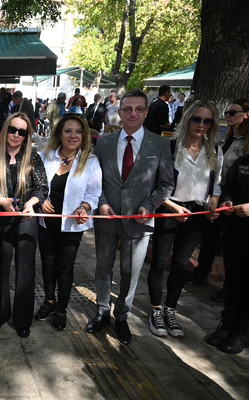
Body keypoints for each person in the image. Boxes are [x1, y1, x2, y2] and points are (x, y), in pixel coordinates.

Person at [85, 89, 174, 345]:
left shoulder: (158, 144)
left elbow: (166, 184)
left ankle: (121, 316)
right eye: (127, 109)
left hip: (139, 220)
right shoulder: (103, 142)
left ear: (147, 112)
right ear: (119, 112)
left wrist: (150, 204)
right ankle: (102, 311)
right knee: (103, 268)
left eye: (138, 109)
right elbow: (95, 180)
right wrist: (101, 203)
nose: (132, 113)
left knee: (130, 271)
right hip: (107, 218)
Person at [147, 102, 222, 338]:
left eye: (207, 121)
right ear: (187, 119)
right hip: (168, 210)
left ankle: (170, 310)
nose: (201, 125)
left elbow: (216, 184)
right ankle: (156, 310)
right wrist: (172, 206)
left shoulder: (215, 150)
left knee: (181, 264)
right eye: (197, 119)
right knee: (159, 262)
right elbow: (155, 185)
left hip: (195, 213)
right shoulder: (169, 147)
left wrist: (213, 206)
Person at [0, 112, 48, 338]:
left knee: (26, 270)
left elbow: (41, 187)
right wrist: (1, 201)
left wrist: (33, 203)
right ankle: (1, 313)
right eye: (12, 130)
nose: (16, 135)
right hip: (0, 218)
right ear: (5, 129)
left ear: (27, 136)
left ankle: (23, 319)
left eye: (22, 132)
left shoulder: (34, 158)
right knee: (2, 268)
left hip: (26, 219)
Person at [186, 99, 249, 299]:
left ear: (247, 114)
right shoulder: (224, 138)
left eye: (232, 112)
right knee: (209, 237)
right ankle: (201, 273)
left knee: (229, 246)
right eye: (226, 112)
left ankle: (230, 288)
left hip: (236, 202)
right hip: (217, 197)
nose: (227, 115)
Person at [36, 114, 102, 330]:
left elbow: (94, 193)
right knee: (47, 264)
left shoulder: (90, 161)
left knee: (64, 267)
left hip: (72, 224)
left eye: (78, 131)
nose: (73, 136)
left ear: (84, 136)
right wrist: (41, 200)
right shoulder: (46, 156)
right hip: (47, 222)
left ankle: (62, 308)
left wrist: (84, 207)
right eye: (68, 131)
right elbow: (36, 184)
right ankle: (49, 301)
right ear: (59, 134)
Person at [208, 132, 249, 354]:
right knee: (234, 281)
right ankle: (227, 324)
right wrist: (227, 199)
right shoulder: (246, 160)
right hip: (236, 232)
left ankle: (244, 331)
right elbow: (228, 185)